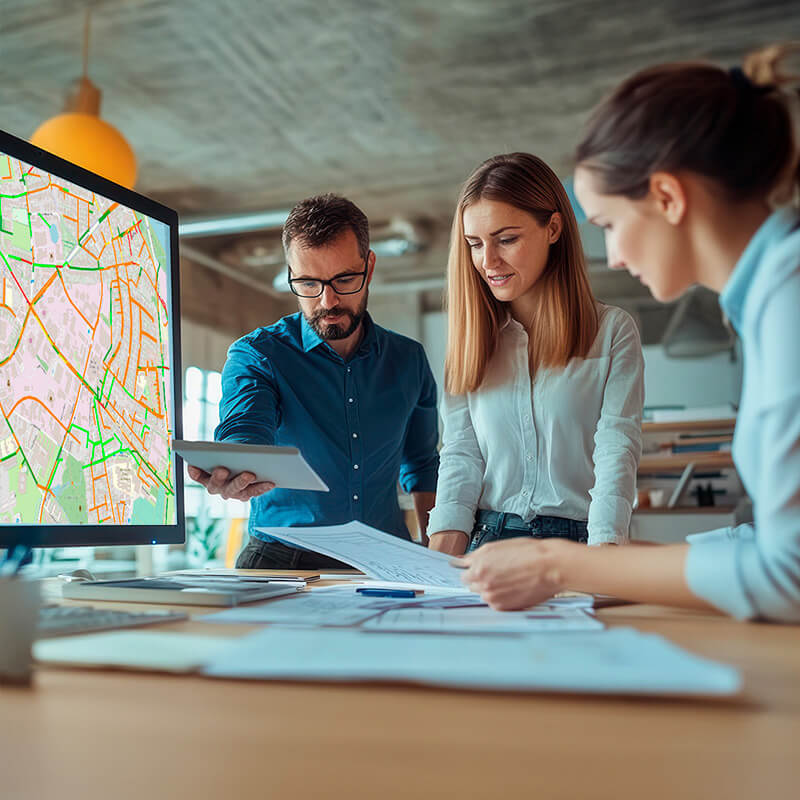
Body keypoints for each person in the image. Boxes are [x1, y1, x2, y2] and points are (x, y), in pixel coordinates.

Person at [460, 45, 800, 623]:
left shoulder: (789, 296)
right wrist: (622, 566)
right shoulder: (772, 291)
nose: (613, 258)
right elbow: (769, 544)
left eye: (611, 225)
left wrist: (564, 565)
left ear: (667, 197)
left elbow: (787, 574)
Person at [188, 193, 439, 569]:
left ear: (369, 268)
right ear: (291, 275)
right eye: (308, 283)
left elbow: (421, 464)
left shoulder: (408, 360)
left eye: (344, 279)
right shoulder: (258, 354)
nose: (328, 301)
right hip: (281, 561)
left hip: (384, 559)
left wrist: (434, 553)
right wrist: (235, 465)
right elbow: (245, 426)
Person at [427, 153, 644, 557]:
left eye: (506, 239)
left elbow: (617, 450)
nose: (488, 262)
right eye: (475, 244)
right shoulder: (470, 340)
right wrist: (434, 565)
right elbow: (461, 455)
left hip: (579, 546)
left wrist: (602, 561)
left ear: (554, 228)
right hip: (486, 545)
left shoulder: (612, 331)